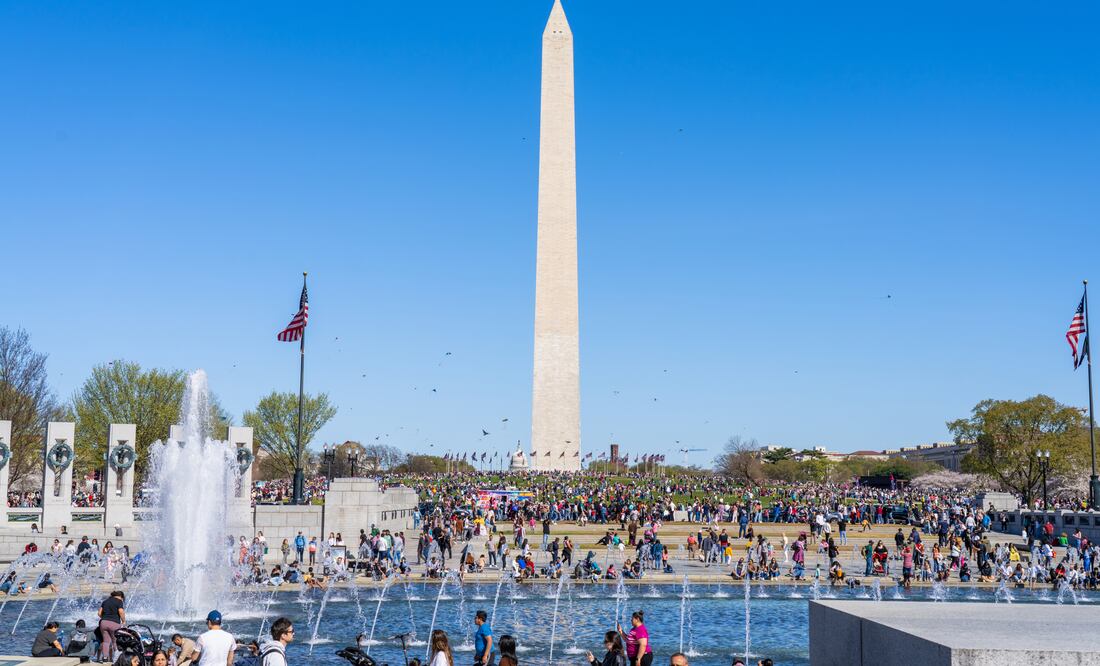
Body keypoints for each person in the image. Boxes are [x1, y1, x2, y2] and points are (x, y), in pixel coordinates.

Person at [98, 590, 126, 661]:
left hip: (103, 623)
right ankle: (116, 658)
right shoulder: (119, 601)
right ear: (121, 597)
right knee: (115, 640)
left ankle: (105, 657)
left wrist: (104, 618)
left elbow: (99, 613)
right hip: (114, 623)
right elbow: (121, 612)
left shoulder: (105, 601)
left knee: (106, 641)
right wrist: (123, 621)